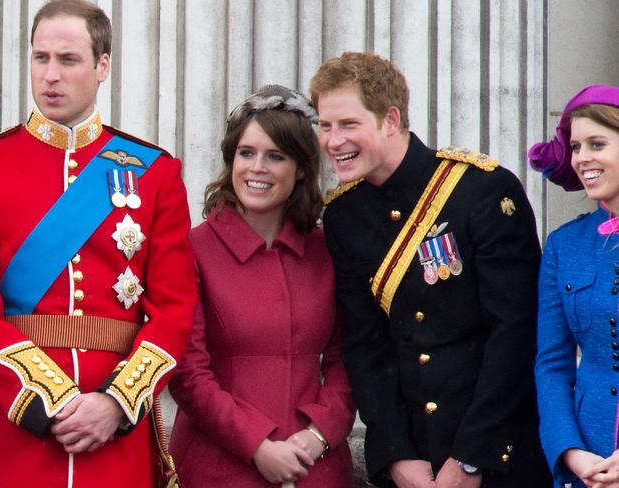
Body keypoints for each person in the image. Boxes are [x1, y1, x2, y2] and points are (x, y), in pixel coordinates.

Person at [0, 0, 197, 485]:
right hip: (12, 428)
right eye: (40, 58)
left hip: (114, 433)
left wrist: (116, 403)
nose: (50, 75)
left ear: (102, 66)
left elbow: (175, 309)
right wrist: (46, 399)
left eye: (68, 60)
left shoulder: (154, 173)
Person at [310, 51, 552, 488]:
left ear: (390, 119)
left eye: (348, 124)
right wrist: (396, 456)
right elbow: (365, 347)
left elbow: (515, 333)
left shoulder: (481, 190)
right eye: (324, 126)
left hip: (497, 456)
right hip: (413, 463)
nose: (332, 140)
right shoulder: (345, 214)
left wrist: (472, 459)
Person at [168, 84, 355, 487]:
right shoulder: (193, 249)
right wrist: (257, 445)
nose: (257, 168)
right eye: (246, 153)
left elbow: (348, 358)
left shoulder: (329, 249)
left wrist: (317, 434)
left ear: (302, 168)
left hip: (315, 468)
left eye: (276, 156)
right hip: (218, 466)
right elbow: (188, 372)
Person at [531, 84, 619, 488]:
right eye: (576, 146)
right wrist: (569, 450)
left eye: (596, 143)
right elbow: (551, 365)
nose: (582, 158)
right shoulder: (564, 245)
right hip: (589, 465)